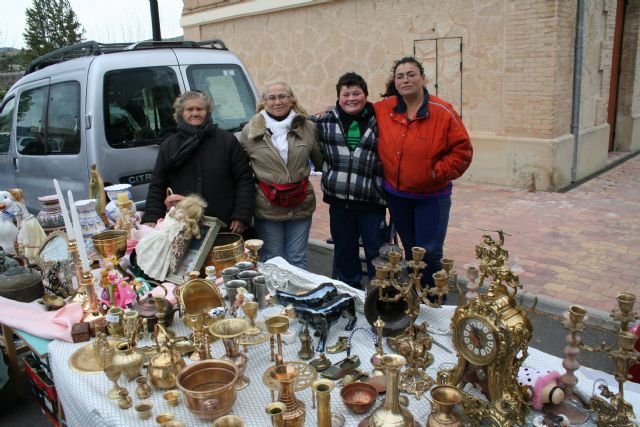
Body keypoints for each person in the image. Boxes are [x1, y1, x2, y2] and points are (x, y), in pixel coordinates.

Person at [374, 57, 472, 289]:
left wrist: (435, 173)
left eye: (411, 74)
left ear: (423, 79)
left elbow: (463, 151)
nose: (405, 79)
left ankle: (433, 300)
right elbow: (355, 108)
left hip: (431, 199)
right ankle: (414, 297)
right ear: (395, 82)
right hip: (398, 197)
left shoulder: (443, 111)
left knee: (429, 252)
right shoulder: (384, 109)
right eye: (400, 76)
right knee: (410, 250)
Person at [142, 91, 254, 235]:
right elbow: (158, 184)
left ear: (207, 112)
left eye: (199, 109)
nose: (195, 113)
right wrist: (151, 217)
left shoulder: (227, 141)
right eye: (190, 109)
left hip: (223, 224)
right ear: (181, 113)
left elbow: (244, 180)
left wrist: (241, 215)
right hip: (183, 224)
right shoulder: (169, 145)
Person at [313, 72, 387, 289]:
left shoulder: (380, 119)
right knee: (345, 251)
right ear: (338, 97)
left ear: (366, 95)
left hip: (372, 202)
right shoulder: (325, 120)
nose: (351, 98)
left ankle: (380, 298)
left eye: (357, 93)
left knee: (377, 253)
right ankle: (350, 294)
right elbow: (298, 124)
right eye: (346, 94)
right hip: (339, 203)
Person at [239, 82, 323, 269]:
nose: (278, 102)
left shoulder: (307, 127)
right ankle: (274, 298)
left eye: (283, 96)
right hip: (267, 206)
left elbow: (320, 161)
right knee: (273, 259)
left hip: (301, 203)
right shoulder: (250, 131)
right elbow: (242, 172)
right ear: (264, 102)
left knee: (297, 258)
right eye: (272, 97)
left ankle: (298, 298)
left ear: (291, 99)